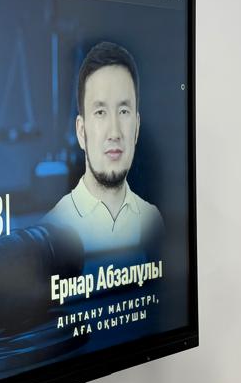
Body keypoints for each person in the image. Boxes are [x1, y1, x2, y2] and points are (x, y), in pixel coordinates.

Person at [45, 41, 162, 255]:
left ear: (136, 127)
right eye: (100, 112)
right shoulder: (52, 230)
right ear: (81, 132)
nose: (114, 132)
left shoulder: (151, 219)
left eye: (123, 111)